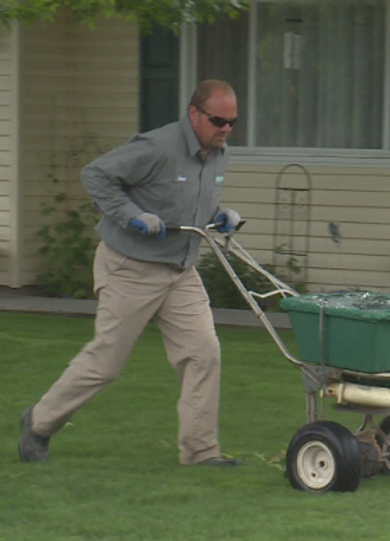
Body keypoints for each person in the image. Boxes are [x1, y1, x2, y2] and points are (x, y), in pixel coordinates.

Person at [18, 79, 242, 467]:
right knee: (106, 363)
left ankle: (201, 452)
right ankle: (39, 423)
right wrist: (131, 216)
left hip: (180, 271)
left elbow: (192, 204)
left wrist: (220, 217)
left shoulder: (218, 154)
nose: (225, 130)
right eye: (218, 121)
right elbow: (96, 175)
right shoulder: (157, 147)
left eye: (232, 122)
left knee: (204, 353)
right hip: (130, 269)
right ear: (194, 114)